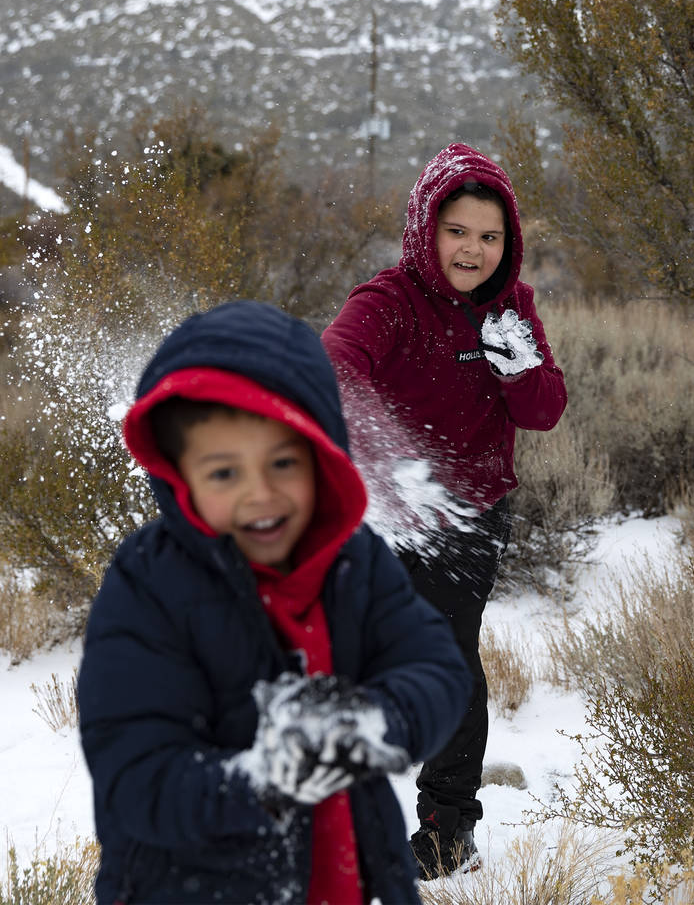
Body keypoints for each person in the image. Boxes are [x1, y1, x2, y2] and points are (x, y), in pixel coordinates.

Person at [77, 300, 472, 905]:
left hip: (349, 878)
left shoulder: (355, 562)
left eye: (283, 463)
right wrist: (263, 780)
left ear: (322, 456)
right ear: (180, 474)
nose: (260, 494)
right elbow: (134, 777)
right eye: (224, 473)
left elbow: (437, 669)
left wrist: (372, 720)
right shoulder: (149, 585)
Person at [322, 142, 567, 878]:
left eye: (490, 236)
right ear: (426, 228)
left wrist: (517, 366)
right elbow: (333, 364)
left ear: (508, 241)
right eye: (457, 230)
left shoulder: (512, 306)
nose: (473, 249)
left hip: (469, 519)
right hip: (384, 511)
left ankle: (446, 829)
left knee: (447, 658)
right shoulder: (388, 302)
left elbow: (546, 411)